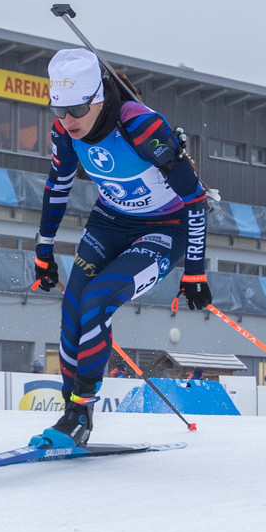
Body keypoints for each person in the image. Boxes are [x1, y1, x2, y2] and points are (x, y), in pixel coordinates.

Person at [28, 46, 211, 449]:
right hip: (110, 222)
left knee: (97, 300)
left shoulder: (141, 126)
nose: (68, 121)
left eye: (77, 110)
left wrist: (194, 270)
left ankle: (80, 414)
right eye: (59, 111)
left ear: (97, 98)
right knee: (74, 306)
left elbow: (196, 200)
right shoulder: (65, 131)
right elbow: (57, 186)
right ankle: (70, 412)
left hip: (164, 227)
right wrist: (43, 250)